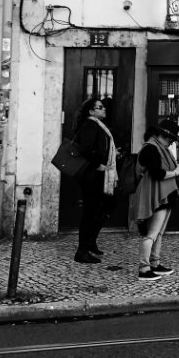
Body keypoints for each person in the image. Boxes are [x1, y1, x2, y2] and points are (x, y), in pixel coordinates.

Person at [133, 117, 179, 281]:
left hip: (163, 195)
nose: (170, 143)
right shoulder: (151, 149)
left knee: (159, 233)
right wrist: (177, 172)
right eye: (170, 139)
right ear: (163, 136)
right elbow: (158, 173)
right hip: (156, 195)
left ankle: (155, 264)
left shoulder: (157, 148)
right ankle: (144, 269)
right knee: (151, 234)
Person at [72, 97, 118, 264]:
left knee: (102, 207)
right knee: (90, 212)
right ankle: (82, 251)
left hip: (97, 175)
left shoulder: (98, 126)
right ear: (91, 112)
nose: (103, 109)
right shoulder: (90, 125)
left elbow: (98, 147)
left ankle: (90, 243)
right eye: (99, 107)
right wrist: (98, 164)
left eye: (103, 107)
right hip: (91, 176)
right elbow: (85, 149)